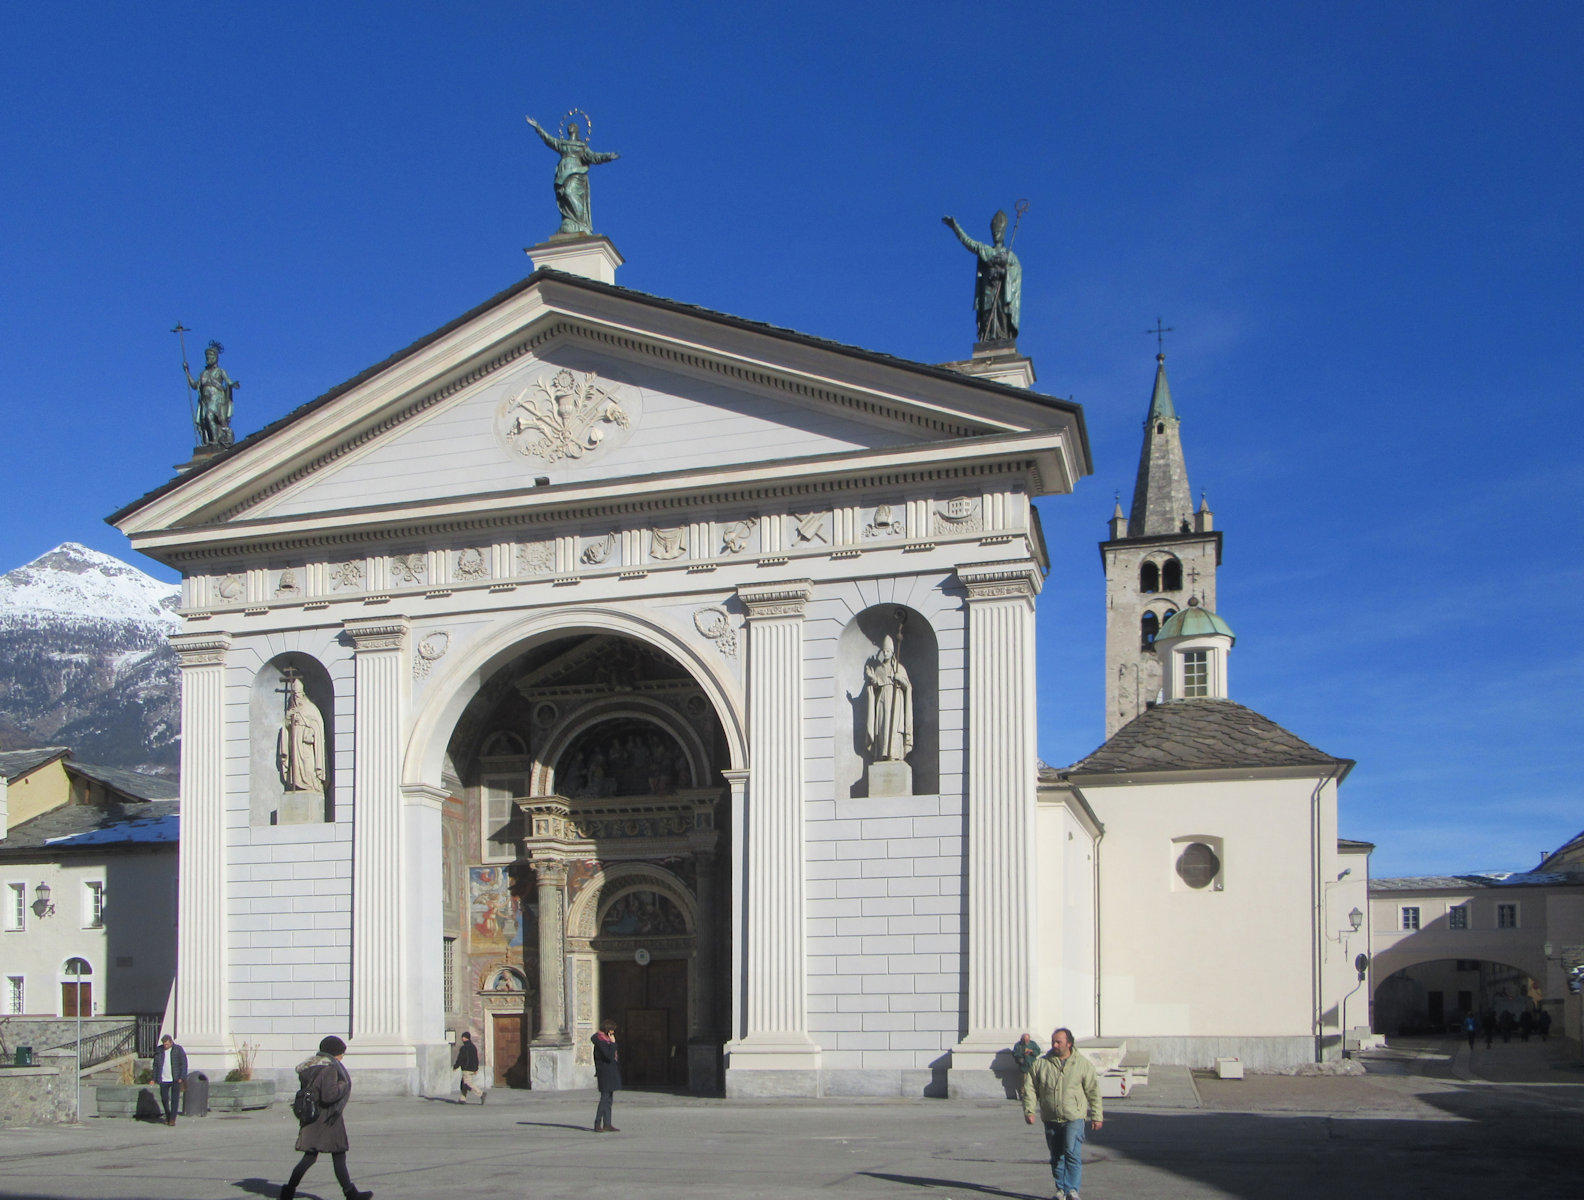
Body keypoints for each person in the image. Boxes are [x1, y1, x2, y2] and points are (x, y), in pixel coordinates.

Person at [280, 1035, 371, 1200]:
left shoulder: (311, 1067)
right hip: (328, 1119)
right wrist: (343, 1085)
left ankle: (288, 1192)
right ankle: (351, 1194)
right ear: (334, 1053)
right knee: (338, 1155)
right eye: (341, 1053)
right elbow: (329, 1095)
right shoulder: (329, 1068)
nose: (342, 1057)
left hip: (312, 1118)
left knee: (309, 1157)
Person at [1021, 1027, 1103, 1200]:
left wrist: (1097, 1115)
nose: (1055, 1045)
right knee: (1056, 1156)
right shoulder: (1041, 1064)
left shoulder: (1082, 1064)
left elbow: (1093, 1091)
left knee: (1072, 1153)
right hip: (1051, 1117)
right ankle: (1061, 1190)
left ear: (1069, 1043)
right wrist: (1029, 1110)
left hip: (1074, 1116)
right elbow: (1029, 1088)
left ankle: (1072, 1190)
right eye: (1053, 1041)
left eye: (1059, 1042)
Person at [525, 116, 621, 237]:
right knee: (565, 196)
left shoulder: (581, 147)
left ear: (576, 130)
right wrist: (538, 127)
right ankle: (570, 221)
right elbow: (549, 140)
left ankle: (580, 222)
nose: (570, 127)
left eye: (572, 126)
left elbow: (594, 157)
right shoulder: (562, 144)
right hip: (563, 174)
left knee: (570, 192)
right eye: (569, 126)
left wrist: (608, 156)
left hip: (576, 174)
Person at [942, 210, 1023, 344]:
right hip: (987, 290)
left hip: (1002, 292)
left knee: (1002, 316)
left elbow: (1016, 272)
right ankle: (988, 339)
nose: (996, 235)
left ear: (1003, 234)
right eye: (995, 233)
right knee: (986, 317)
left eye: (999, 232)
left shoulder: (1009, 256)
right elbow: (968, 242)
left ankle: (1002, 339)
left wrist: (1005, 272)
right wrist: (955, 227)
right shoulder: (985, 250)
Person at [864, 635, 913, 763]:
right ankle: (883, 753)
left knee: (894, 727)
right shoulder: (879, 669)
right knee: (882, 727)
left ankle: (894, 754)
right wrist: (872, 677)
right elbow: (875, 686)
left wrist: (899, 678)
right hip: (882, 700)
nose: (885, 653)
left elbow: (908, 686)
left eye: (888, 651)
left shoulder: (899, 668)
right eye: (884, 651)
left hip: (895, 701)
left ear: (892, 652)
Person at [184, 340, 239, 448]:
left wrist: (233, 384)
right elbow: (195, 385)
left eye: (211, 355)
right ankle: (211, 440)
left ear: (215, 357)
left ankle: (214, 441)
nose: (208, 358)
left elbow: (228, 381)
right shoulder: (203, 373)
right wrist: (187, 371)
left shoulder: (220, 371)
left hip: (217, 398)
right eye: (207, 356)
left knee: (210, 416)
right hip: (205, 400)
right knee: (205, 420)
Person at [277, 677, 327, 794]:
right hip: (294, 742)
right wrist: (288, 720)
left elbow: (318, 727)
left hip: (306, 744)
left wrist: (307, 725)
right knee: (295, 766)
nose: (297, 696)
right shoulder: (292, 709)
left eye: (298, 694)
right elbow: (286, 728)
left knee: (308, 765)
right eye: (295, 694)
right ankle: (296, 783)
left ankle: (311, 784)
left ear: (303, 694)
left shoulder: (311, 709)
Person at [592, 1017, 621, 1132]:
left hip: (610, 1072)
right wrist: (613, 1044)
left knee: (609, 1099)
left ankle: (607, 1123)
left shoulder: (605, 1041)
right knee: (604, 1098)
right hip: (604, 1073)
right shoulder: (600, 1041)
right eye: (612, 1030)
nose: (613, 1033)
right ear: (608, 1030)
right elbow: (608, 1056)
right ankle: (597, 1123)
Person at [152, 1034, 187, 1126]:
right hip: (163, 1079)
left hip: (175, 1078)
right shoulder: (159, 1050)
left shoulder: (178, 1050)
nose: (166, 1046)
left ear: (171, 1042)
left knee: (175, 1099)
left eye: (167, 1044)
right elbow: (155, 1065)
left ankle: (172, 1119)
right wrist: (154, 1078)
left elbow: (183, 1064)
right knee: (164, 1098)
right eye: (164, 1044)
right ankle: (168, 1115)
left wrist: (181, 1077)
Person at [453, 1031, 485, 1104]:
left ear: (464, 1038)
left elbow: (460, 1058)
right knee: (463, 1083)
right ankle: (462, 1099)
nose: (462, 1038)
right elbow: (476, 1058)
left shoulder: (464, 1048)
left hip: (466, 1068)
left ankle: (481, 1094)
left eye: (463, 1037)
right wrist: (476, 1068)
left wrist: (456, 1066)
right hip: (472, 1068)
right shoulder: (473, 1047)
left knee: (467, 1083)